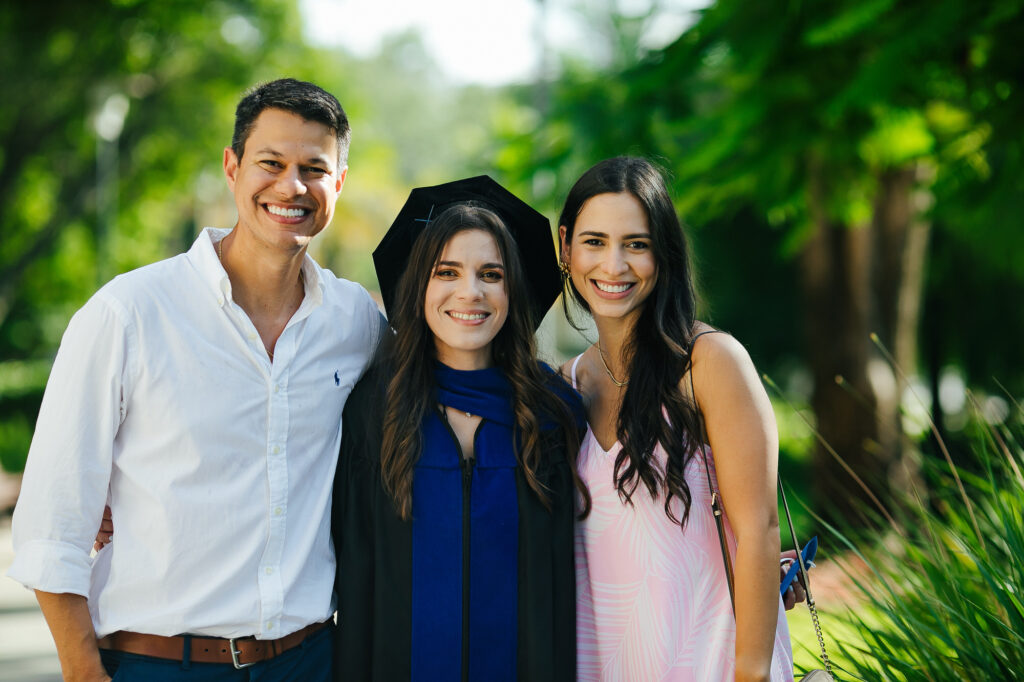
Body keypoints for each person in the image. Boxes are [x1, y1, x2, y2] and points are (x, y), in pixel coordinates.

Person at [7, 78, 382, 681]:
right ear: (232, 168)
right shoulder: (128, 313)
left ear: (337, 183)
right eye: (271, 163)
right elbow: (54, 523)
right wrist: (82, 672)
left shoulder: (356, 322)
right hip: (157, 663)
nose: (292, 186)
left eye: (314, 168)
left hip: (309, 662)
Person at [558, 157, 795, 681]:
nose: (614, 265)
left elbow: (758, 530)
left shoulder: (709, 363)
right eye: (594, 242)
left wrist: (750, 673)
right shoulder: (565, 382)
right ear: (565, 246)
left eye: (636, 244)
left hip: (708, 664)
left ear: (662, 253)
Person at [332, 201, 585, 681]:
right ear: (419, 287)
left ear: (513, 291)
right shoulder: (376, 409)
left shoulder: (551, 414)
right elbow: (357, 576)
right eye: (446, 272)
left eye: (491, 274)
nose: (470, 292)